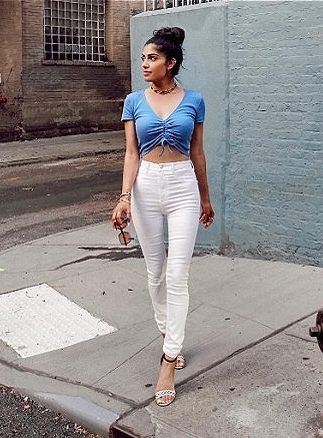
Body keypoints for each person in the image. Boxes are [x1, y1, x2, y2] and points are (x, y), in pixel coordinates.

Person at [111, 26, 214, 408]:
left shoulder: (195, 100)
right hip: (145, 188)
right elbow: (131, 154)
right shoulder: (133, 101)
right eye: (143, 58)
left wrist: (205, 197)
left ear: (171, 63)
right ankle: (167, 332)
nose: (145, 64)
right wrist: (123, 198)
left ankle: (169, 358)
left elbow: (198, 153)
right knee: (155, 273)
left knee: (177, 274)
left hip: (183, 186)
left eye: (152, 58)